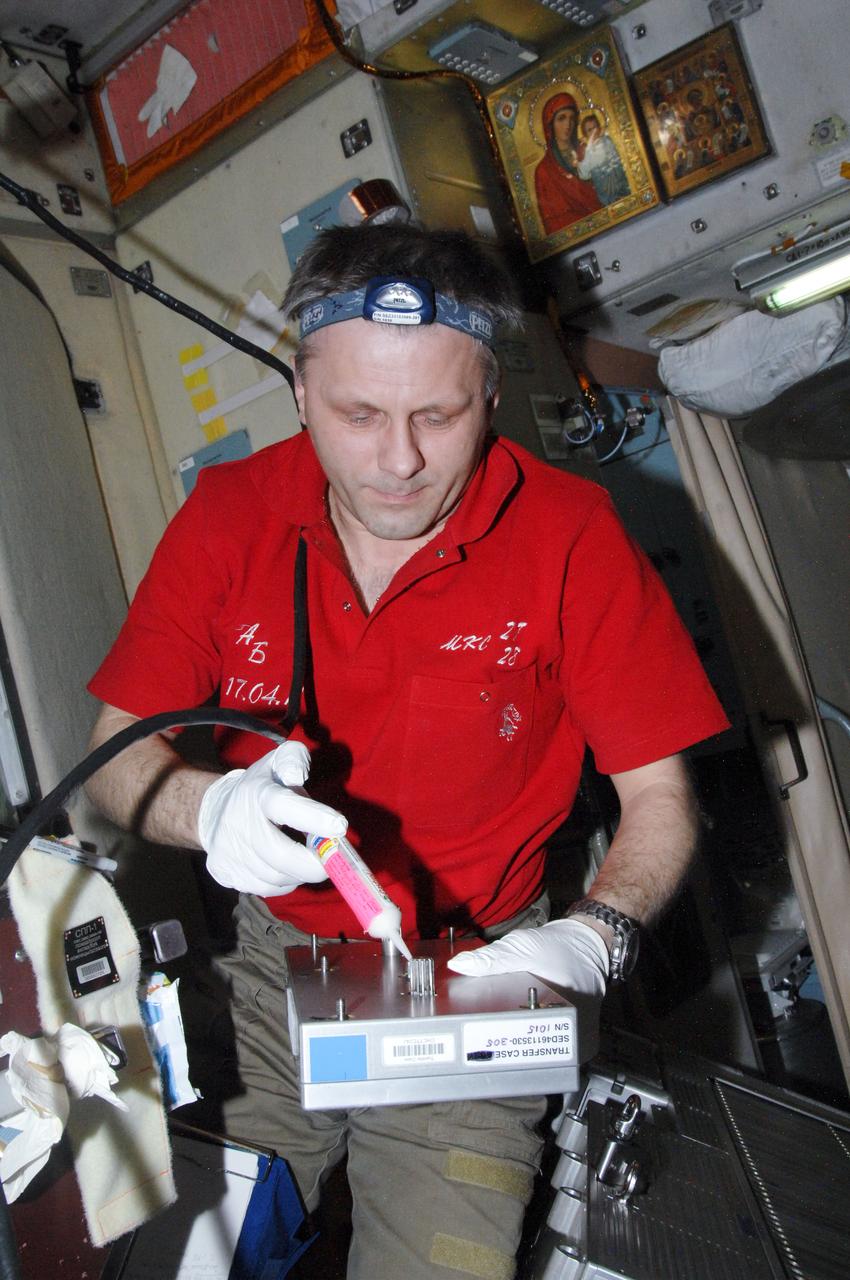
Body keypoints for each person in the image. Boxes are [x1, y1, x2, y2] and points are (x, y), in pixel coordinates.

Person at [84, 223, 728, 1279]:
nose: (398, 460)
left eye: (438, 414)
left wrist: (596, 936)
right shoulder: (227, 518)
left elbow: (659, 792)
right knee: (189, 1258)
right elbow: (112, 751)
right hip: (270, 972)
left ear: (491, 393)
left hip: (484, 972)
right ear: (298, 393)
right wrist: (208, 810)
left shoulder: (572, 532)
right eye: (358, 414)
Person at [533, 91, 602, 235]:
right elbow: (552, 222)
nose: (568, 124)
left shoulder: (587, 152)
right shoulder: (544, 170)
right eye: (561, 118)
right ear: (550, 125)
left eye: (572, 118)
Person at [576, 112, 630, 206]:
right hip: (606, 195)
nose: (594, 131)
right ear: (585, 135)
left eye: (595, 127)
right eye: (589, 130)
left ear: (599, 127)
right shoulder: (588, 152)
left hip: (622, 186)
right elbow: (584, 175)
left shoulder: (608, 141)